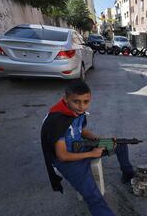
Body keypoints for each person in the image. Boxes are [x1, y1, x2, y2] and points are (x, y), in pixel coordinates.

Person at [41, 80, 134, 216]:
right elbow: (62, 156)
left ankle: (128, 174)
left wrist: (99, 140)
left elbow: (82, 130)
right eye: (76, 101)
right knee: (94, 198)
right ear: (66, 99)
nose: (81, 106)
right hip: (68, 162)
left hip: (82, 147)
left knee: (120, 145)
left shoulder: (77, 113)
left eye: (86, 101)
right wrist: (92, 153)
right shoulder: (57, 120)